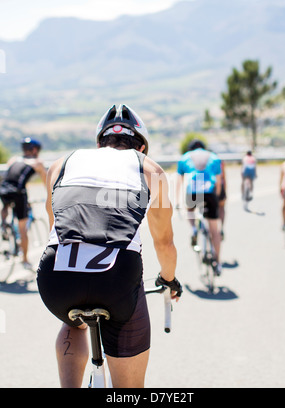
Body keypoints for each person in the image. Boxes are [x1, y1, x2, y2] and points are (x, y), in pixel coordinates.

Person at [37, 104, 182, 388]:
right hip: (116, 277)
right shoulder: (150, 168)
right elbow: (164, 241)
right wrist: (168, 279)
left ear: (99, 143)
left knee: (73, 321)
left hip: (55, 277)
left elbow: (55, 225)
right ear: (140, 148)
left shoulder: (61, 163)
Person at [176, 139, 222, 276]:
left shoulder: (184, 157)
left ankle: (194, 229)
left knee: (189, 211)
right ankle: (218, 262)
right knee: (215, 230)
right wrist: (217, 197)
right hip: (209, 193)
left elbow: (180, 181)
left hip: (193, 192)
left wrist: (178, 201)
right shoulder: (213, 157)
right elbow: (219, 181)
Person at [0, 137, 47, 268]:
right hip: (19, 193)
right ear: (35, 150)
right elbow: (46, 181)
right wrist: (50, 195)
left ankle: (4, 224)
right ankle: (25, 260)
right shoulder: (37, 162)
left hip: (3, 189)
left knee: (6, 205)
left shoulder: (13, 159)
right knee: (22, 227)